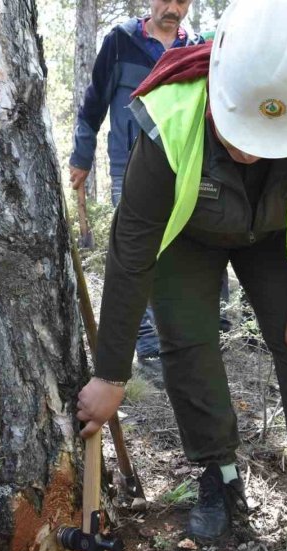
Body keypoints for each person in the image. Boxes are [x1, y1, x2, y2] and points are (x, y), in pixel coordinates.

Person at [75, 0, 287, 551]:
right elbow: (131, 251)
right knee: (188, 344)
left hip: (269, 236)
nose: (248, 151)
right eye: (239, 133)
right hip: (187, 236)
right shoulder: (171, 115)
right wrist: (112, 374)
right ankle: (219, 475)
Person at [69, 0, 203, 362]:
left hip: (183, 165)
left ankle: (179, 333)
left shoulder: (196, 46)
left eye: (182, 1)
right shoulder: (121, 40)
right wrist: (82, 156)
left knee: (180, 248)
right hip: (128, 164)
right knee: (134, 248)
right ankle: (145, 343)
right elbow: (94, 101)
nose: (173, 7)